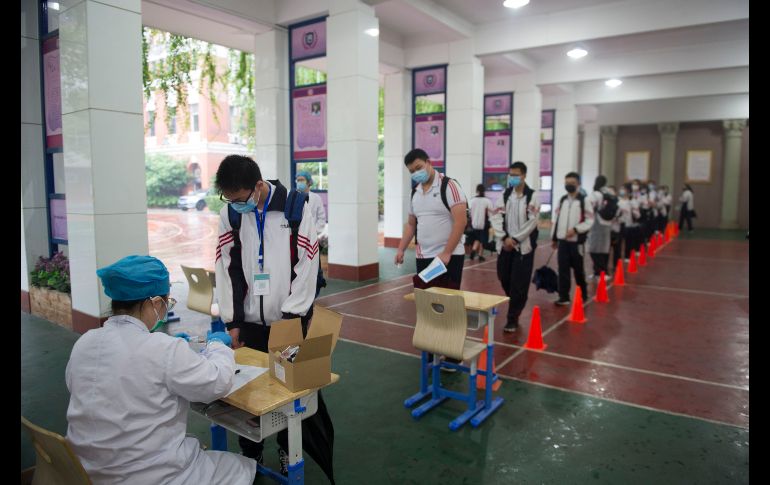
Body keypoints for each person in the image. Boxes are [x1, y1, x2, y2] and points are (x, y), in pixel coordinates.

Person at [65, 255, 255, 485]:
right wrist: (217, 345)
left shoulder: (85, 342)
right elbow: (218, 382)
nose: (166, 308)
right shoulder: (163, 349)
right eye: (167, 302)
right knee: (243, 468)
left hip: (86, 472)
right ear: (155, 303)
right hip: (149, 476)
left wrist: (176, 349)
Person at [214, 155, 334, 481]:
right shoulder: (231, 216)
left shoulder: (295, 207)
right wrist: (233, 321)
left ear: (257, 186)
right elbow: (226, 268)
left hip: (287, 321)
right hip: (249, 323)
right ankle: (250, 452)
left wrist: (291, 317)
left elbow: (307, 266)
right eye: (228, 199)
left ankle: (286, 449)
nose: (234, 205)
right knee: (246, 391)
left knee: (287, 394)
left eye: (239, 198)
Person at [395, 148, 468, 370]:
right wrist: (400, 248)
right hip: (424, 259)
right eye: (411, 171)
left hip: (449, 258)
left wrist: (446, 252)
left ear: (428, 162)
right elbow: (411, 224)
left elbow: (460, 221)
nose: (416, 172)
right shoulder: (415, 193)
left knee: (449, 306)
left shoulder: (449, 186)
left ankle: (453, 354)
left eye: (418, 167)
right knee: (427, 306)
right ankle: (431, 350)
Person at [491, 161, 540, 331]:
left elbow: (532, 222)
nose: (512, 178)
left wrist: (516, 240)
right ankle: (516, 302)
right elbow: (495, 217)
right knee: (503, 277)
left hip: (523, 249)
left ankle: (513, 317)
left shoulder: (532, 196)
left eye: (516, 175)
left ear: (524, 175)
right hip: (504, 246)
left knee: (519, 283)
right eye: (510, 175)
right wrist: (504, 238)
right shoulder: (505, 195)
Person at [551, 172, 594, 306]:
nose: (569, 185)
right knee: (562, 269)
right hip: (563, 242)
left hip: (577, 243)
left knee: (578, 270)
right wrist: (554, 238)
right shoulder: (562, 200)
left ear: (578, 184)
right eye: (567, 183)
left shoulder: (584, 200)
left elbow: (590, 220)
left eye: (572, 183)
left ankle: (583, 295)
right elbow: (557, 220)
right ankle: (564, 296)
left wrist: (576, 230)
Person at [587, 175, 613, 280]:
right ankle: (602, 271)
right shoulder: (608, 192)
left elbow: (589, 206)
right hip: (607, 223)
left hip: (597, 223)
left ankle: (599, 272)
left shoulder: (596, 194)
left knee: (594, 248)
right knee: (604, 248)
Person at [468, 183, 493, 262]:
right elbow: (490, 213)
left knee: (477, 238)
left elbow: (469, 212)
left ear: (477, 191)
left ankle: (473, 250)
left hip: (474, 223)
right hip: (484, 224)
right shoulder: (487, 201)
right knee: (483, 240)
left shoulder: (472, 200)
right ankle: (480, 255)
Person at [618, 183, 641, 261]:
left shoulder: (632, 201)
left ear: (628, 191)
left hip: (629, 224)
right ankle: (618, 257)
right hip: (619, 224)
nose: (621, 190)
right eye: (621, 189)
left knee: (629, 242)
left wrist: (634, 211)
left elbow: (638, 215)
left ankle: (627, 256)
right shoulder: (617, 200)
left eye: (623, 189)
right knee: (618, 243)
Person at [606, 186, 623, 271]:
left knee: (617, 249)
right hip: (606, 230)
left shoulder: (619, 202)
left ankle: (617, 266)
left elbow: (620, 215)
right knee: (606, 250)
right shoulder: (605, 202)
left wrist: (615, 217)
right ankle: (604, 268)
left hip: (616, 228)